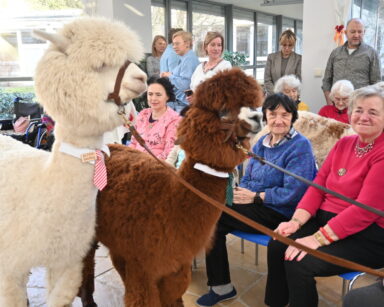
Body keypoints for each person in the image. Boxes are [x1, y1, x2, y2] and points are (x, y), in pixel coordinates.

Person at [265, 85, 384, 307]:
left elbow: (363, 211)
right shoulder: (344, 143)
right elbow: (318, 186)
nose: (363, 117)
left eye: (373, 112)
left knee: (299, 262)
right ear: (350, 113)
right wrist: (295, 222)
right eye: (358, 110)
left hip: (368, 235)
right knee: (278, 244)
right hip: (328, 220)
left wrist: (316, 239)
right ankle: (276, 303)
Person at [196, 93, 317, 307]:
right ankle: (221, 287)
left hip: (283, 213)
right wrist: (242, 194)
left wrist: (256, 197)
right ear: (265, 116)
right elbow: (250, 176)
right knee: (211, 214)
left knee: (215, 218)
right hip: (257, 204)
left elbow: (295, 193)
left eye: (285, 115)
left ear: (293, 117)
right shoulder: (262, 141)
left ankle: (221, 287)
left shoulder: (300, 146)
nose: (278, 120)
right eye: (272, 114)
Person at [322, 18, 381, 105]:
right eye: (353, 32)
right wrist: (329, 102)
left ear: (364, 32)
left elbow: (376, 84)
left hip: (360, 105)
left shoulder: (372, 53)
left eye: (360, 32)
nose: (356, 35)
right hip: (337, 105)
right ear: (346, 33)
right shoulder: (335, 53)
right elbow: (327, 80)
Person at [129, 76, 181, 159]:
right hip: (133, 163)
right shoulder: (143, 114)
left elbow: (168, 153)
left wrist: (143, 164)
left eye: (158, 94)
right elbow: (133, 143)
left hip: (156, 167)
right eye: (150, 94)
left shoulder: (174, 120)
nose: (153, 98)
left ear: (167, 96)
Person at [187, 31, 232, 103]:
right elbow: (193, 88)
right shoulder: (199, 67)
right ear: (205, 47)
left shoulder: (225, 66)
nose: (216, 48)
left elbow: (223, 93)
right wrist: (192, 97)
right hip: (199, 109)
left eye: (219, 45)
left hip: (215, 112)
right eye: (213, 45)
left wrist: (198, 98)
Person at [161, 31, 200, 112]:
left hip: (184, 105)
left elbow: (185, 85)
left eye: (177, 43)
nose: (174, 47)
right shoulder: (184, 58)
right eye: (173, 44)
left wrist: (169, 75)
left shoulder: (189, 59)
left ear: (187, 44)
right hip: (180, 103)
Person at [264, 29, 301, 96]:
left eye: (290, 45)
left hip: (290, 98)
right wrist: (277, 95)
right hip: (272, 97)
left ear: (294, 45)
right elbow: (267, 80)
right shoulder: (271, 57)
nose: (287, 48)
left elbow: (298, 80)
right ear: (280, 43)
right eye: (284, 45)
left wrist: (286, 95)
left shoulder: (298, 59)